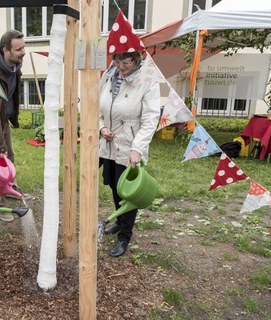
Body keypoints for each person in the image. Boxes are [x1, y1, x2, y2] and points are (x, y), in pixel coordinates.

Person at [99, 11, 161, 257]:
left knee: (129, 192)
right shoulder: (109, 75)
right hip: (109, 144)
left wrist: (138, 147)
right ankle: (119, 222)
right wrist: (100, 127)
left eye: (127, 63)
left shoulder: (148, 79)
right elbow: (96, 107)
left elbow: (150, 117)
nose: (121, 67)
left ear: (137, 58)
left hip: (129, 144)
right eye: (117, 61)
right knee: (115, 186)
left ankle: (125, 236)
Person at [0, 29, 25, 222]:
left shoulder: (14, 67)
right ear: (5, 50)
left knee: (10, 155)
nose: (23, 52)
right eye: (18, 49)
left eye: (23, 47)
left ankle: (8, 190)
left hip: (3, 119)